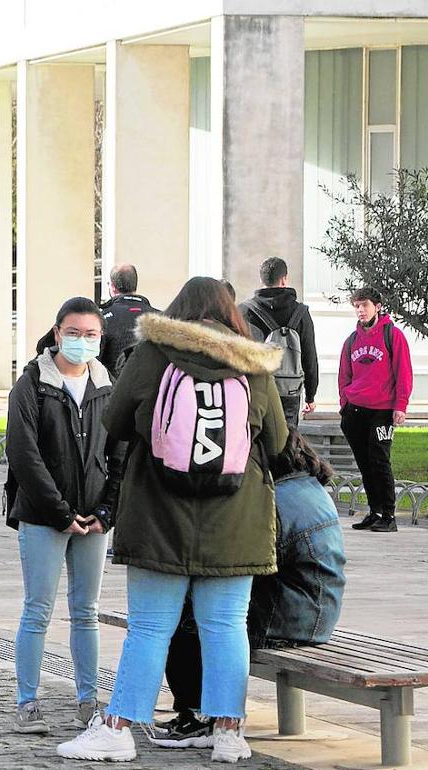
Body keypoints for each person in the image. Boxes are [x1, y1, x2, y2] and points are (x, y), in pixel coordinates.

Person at [57, 277, 288, 765]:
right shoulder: (252, 363)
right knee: (226, 626)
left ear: (178, 310)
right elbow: (278, 442)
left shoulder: (153, 355)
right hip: (235, 520)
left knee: (149, 627)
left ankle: (118, 729)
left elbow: (113, 421)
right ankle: (228, 734)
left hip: (159, 514)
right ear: (230, 314)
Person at [151, 429, 346, 749]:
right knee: (203, 609)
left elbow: (243, 564)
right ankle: (201, 710)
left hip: (292, 616)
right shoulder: (307, 486)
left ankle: (198, 714)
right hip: (315, 609)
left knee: (192, 618)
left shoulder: (274, 500)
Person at [5, 297, 122, 734]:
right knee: (37, 609)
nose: (81, 341)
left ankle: (88, 699)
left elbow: (120, 452)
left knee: (86, 611)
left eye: (91, 334)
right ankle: (27, 702)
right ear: (57, 333)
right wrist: (60, 513)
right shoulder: (32, 384)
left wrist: (106, 511)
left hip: (94, 519)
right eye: (73, 333)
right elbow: (23, 454)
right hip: (42, 517)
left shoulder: (106, 385)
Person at [341, 287, 413, 534]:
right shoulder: (352, 340)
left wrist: (400, 406)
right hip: (355, 411)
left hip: (382, 410)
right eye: (357, 306)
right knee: (364, 463)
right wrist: (344, 405)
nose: (360, 310)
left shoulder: (393, 336)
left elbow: (403, 373)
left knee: (379, 460)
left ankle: (389, 515)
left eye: (365, 305)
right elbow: (344, 375)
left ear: (377, 306)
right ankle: (374, 512)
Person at [240, 256, 319, 428]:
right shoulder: (301, 313)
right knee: (287, 444)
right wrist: (310, 395)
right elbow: (310, 357)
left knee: (255, 443)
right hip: (289, 390)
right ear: (284, 279)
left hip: (255, 389)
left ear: (261, 280)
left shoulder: (244, 311)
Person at [98, 264, 157, 376]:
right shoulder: (160, 317)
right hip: (154, 390)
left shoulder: (102, 318)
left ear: (113, 286)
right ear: (135, 285)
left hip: (115, 389)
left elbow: (94, 362)